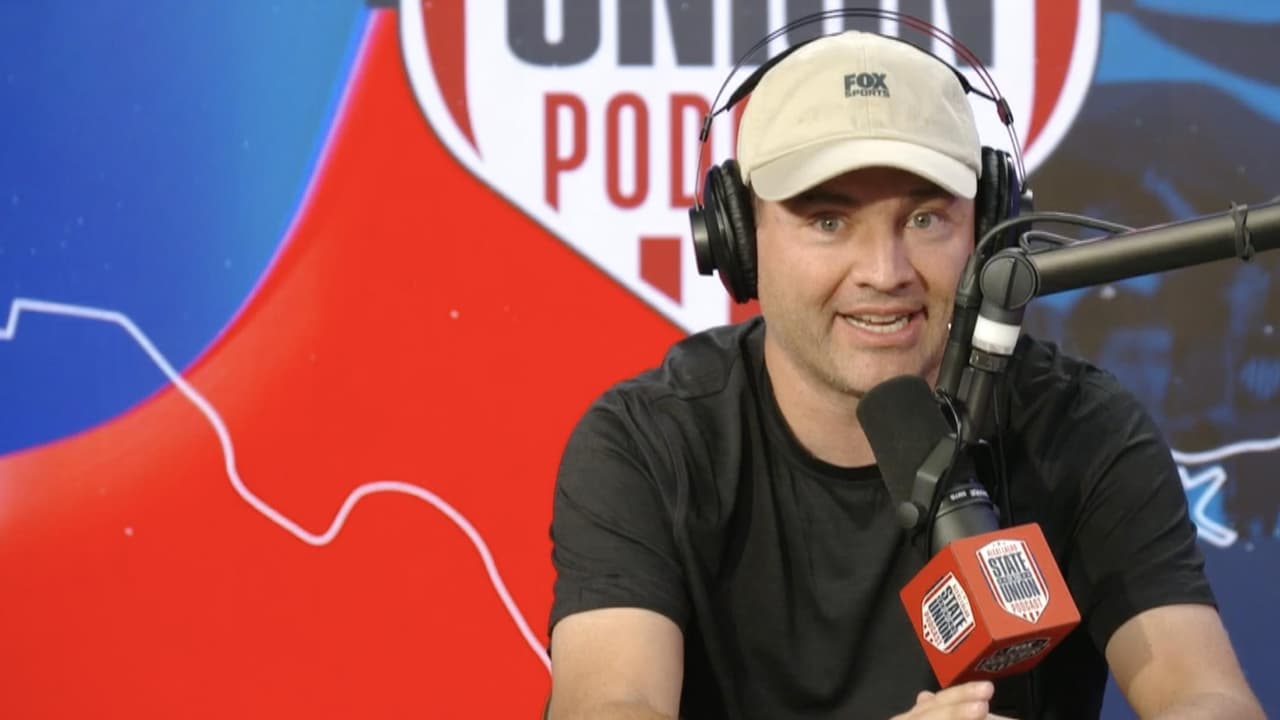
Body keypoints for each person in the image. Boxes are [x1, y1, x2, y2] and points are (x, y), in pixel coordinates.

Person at [543, 30, 1264, 720]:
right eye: (829, 221)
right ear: (738, 237)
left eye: (924, 219)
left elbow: (1211, 701)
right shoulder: (650, 444)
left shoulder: (1081, 430)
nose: (884, 273)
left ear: (987, 224)